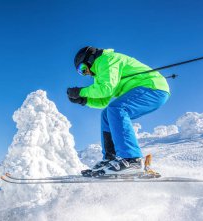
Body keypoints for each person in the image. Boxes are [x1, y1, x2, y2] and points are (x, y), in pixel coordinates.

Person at [67, 46, 170, 176]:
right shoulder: (99, 73)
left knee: (117, 109)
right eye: (81, 72)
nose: (86, 73)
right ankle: (111, 157)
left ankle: (132, 159)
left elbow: (106, 89)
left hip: (153, 87)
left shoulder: (106, 60)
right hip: (146, 90)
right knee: (106, 114)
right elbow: (103, 101)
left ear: (90, 59)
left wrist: (80, 91)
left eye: (83, 69)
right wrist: (84, 100)